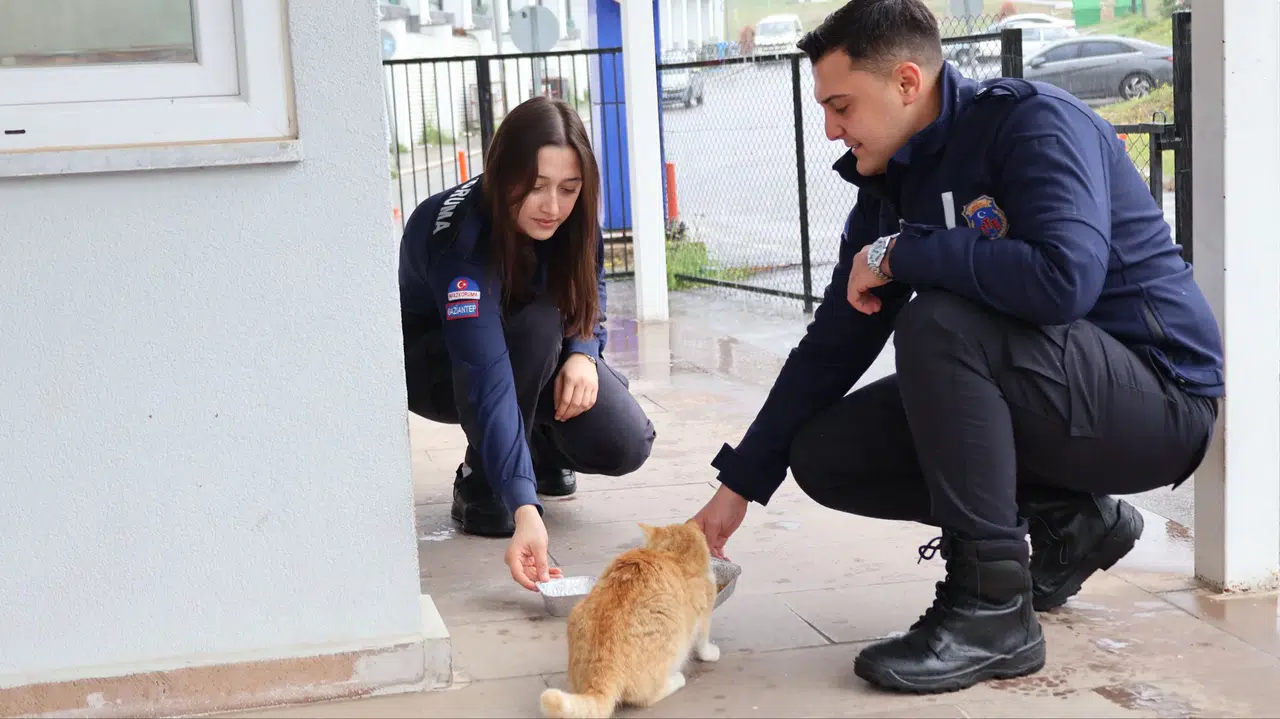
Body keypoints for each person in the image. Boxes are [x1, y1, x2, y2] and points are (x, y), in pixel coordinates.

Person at [691, 0, 1221, 695]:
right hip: (1057, 397)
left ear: (907, 82)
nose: (830, 129)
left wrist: (908, 251)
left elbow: (1063, 282)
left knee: (938, 325)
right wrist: (739, 487)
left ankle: (992, 607)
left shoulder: (1032, 125)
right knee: (826, 451)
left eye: (841, 105)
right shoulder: (891, 185)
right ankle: (1071, 520)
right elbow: (832, 345)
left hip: (1158, 396)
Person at [399, 96, 656, 590]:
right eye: (536, 186)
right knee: (536, 327)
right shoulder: (462, 245)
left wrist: (583, 351)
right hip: (441, 367)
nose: (553, 206)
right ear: (502, 173)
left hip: (528, 348)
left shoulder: (572, 217)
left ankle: (536, 451)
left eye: (568, 188)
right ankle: (482, 471)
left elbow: (589, 285)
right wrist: (525, 508)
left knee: (625, 442)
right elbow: (485, 377)